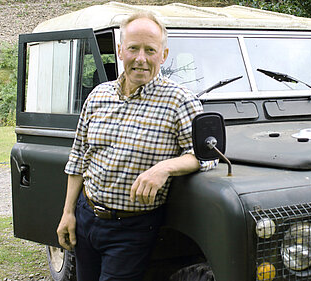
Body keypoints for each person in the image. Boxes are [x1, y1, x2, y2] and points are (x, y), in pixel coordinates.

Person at [56, 11, 215, 281]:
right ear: (120, 50)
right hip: (86, 216)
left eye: (150, 50)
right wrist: (68, 212)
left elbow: (205, 157)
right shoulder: (98, 96)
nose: (141, 58)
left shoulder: (180, 101)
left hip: (132, 227)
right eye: (133, 48)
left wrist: (163, 168)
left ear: (163, 55)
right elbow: (79, 158)